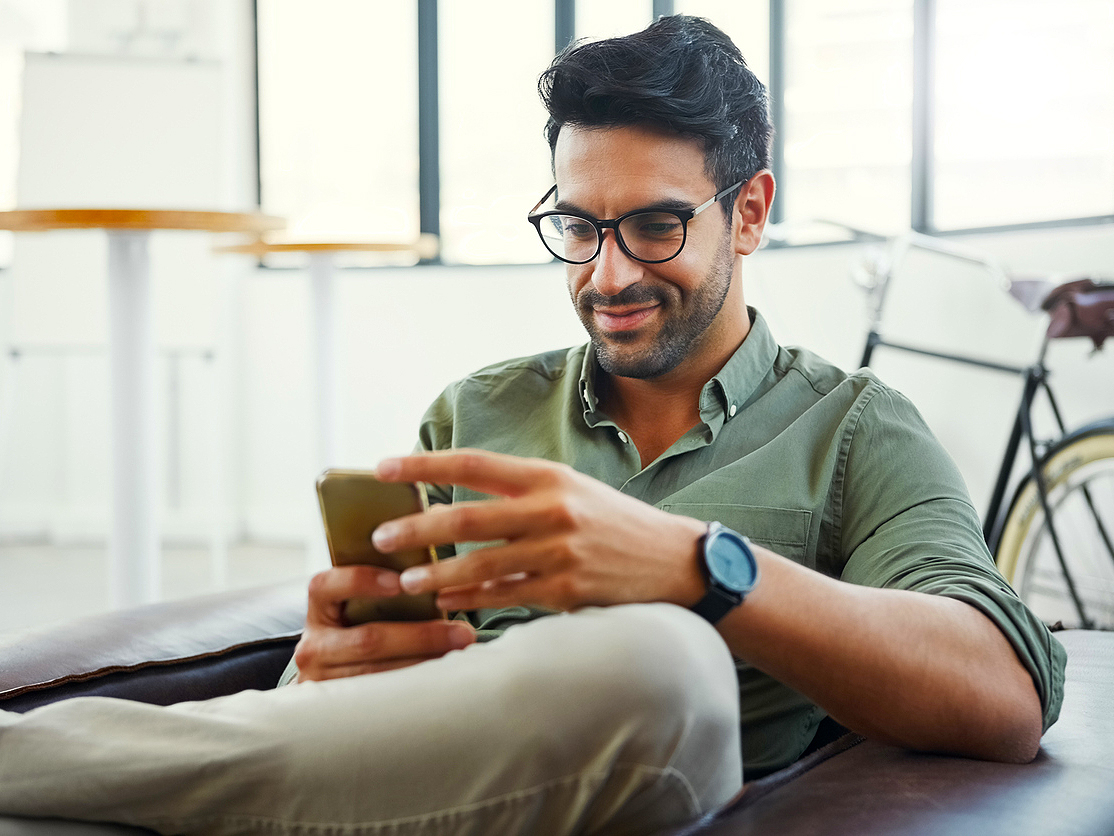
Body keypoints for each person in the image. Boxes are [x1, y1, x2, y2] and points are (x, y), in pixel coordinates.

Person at [0, 14, 1064, 836]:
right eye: (576, 225)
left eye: (653, 224)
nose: (608, 274)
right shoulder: (479, 410)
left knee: (657, 658)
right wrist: (328, 664)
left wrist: (700, 568)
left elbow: (1004, 689)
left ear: (748, 210)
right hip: (426, 792)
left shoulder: (851, 428)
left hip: (650, 768)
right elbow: (310, 717)